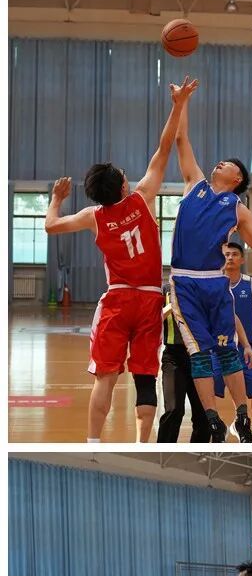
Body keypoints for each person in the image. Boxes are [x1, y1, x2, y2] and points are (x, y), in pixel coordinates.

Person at [44, 76, 199, 443]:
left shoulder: (93, 216)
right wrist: (178, 104)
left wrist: (56, 199)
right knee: (145, 376)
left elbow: (50, 226)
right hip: (150, 301)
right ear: (124, 186)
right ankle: (143, 443)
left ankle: (92, 442)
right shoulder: (142, 198)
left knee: (106, 377)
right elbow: (165, 147)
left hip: (117, 300)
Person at [171, 89, 252, 443]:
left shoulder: (238, 208)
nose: (219, 164)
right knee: (200, 353)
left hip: (214, 282)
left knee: (227, 350)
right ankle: (212, 418)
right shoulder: (194, 184)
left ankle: (242, 415)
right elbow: (181, 139)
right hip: (184, 282)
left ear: (237, 178)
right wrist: (182, 103)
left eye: (226, 164)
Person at [213, 242, 252, 442]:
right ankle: (219, 425)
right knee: (210, 389)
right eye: (226, 254)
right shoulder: (212, 284)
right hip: (218, 348)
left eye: (234, 254)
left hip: (247, 349)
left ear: (242, 259)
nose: (230, 257)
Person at [156, 286, 210, 443]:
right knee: (174, 410)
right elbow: (153, 320)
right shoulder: (165, 291)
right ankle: (163, 451)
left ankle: (199, 453)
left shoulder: (202, 288)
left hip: (199, 357)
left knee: (204, 414)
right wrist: (172, 305)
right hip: (173, 357)